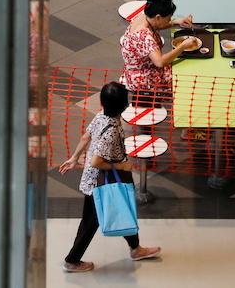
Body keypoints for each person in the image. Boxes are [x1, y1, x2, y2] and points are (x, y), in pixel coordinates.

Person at [57, 82, 162, 273]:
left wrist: (74, 158)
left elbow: (85, 137)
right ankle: (72, 260)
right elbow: (97, 161)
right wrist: (120, 165)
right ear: (124, 106)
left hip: (98, 178)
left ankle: (136, 248)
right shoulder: (112, 131)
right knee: (92, 221)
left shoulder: (101, 116)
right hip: (104, 180)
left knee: (124, 208)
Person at [119, 0, 195, 105]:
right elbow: (160, 62)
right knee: (182, 78)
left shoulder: (143, 17)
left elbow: (157, 25)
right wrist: (182, 46)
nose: (169, 20)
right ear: (158, 17)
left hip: (138, 67)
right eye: (168, 18)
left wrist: (176, 22)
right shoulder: (145, 36)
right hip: (143, 78)